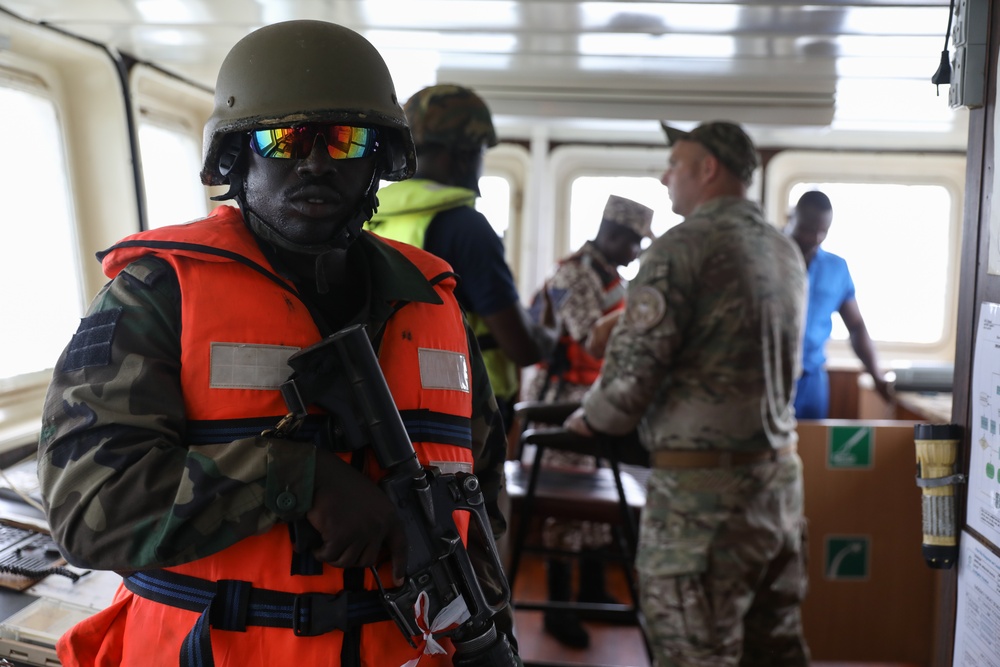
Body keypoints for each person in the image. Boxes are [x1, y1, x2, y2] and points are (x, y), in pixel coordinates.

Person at [37, 20, 518, 667]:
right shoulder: (160, 293)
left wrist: (491, 622)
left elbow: (482, 490)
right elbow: (86, 509)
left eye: (345, 140)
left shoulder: (435, 302)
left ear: (380, 161)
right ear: (239, 156)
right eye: (286, 137)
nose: (316, 162)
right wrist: (295, 479)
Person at [565, 120, 811, 666]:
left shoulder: (681, 248)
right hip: (777, 489)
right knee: (774, 650)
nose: (665, 175)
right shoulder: (782, 249)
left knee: (694, 655)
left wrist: (588, 419)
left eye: (674, 163)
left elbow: (630, 381)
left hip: (704, 501)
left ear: (708, 169)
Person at [365, 84, 558, 432]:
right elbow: (521, 347)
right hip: (462, 409)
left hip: (385, 400)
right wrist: (548, 335)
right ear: (462, 155)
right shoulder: (466, 226)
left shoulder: (374, 214)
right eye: (481, 151)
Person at [524, 194, 654, 648]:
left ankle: (593, 590)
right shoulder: (574, 275)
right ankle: (559, 609)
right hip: (559, 402)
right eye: (635, 244)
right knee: (566, 505)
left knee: (598, 501)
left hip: (597, 399)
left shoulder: (610, 277)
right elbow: (590, 340)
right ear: (614, 235)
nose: (637, 253)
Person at [786, 190, 893, 419]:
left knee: (813, 447)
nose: (815, 238)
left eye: (822, 232)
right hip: (771, 376)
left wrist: (877, 375)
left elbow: (855, 326)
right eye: (807, 230)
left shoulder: (836, 269)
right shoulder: (768, 258)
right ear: (791, 218)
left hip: (813, 377)